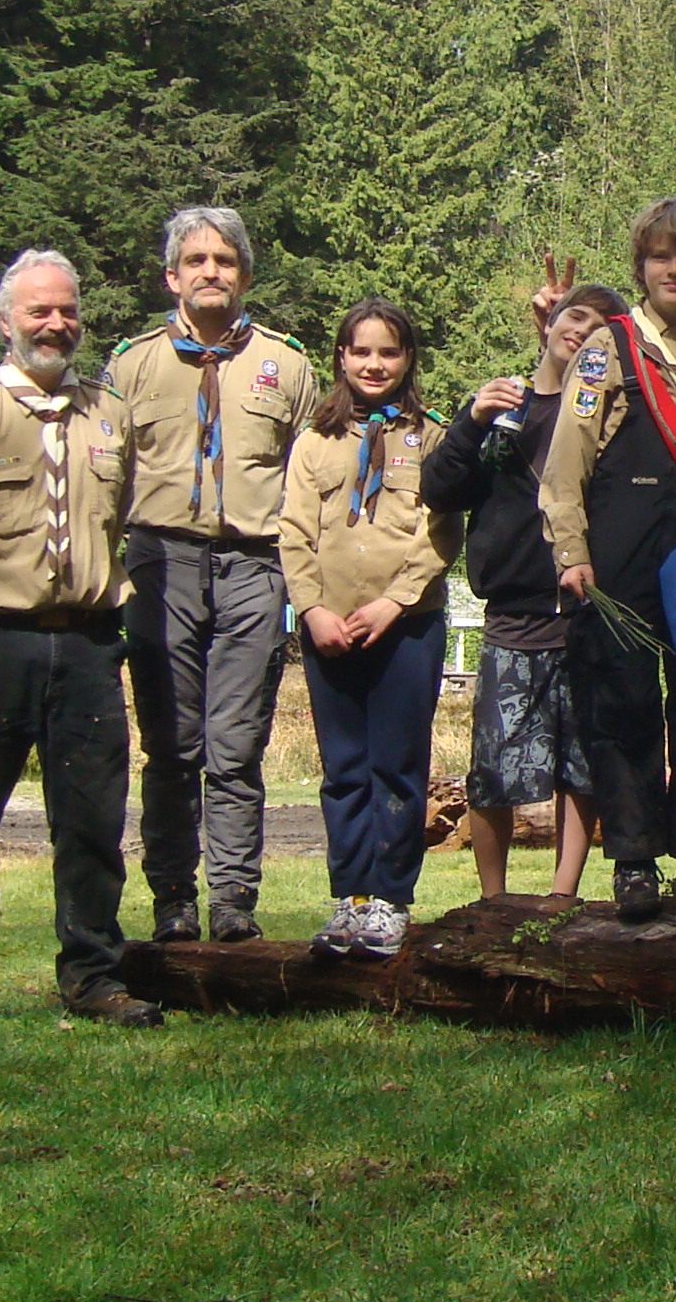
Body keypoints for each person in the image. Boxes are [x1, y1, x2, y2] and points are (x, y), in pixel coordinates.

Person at [0, 249, 155, 1032]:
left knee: (92, 825)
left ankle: (93, 976)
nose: (56, 323)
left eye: (67, 310)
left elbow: (121, 515)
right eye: (39, 310)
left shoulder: (110, 416)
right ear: (5, 319)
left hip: (86, 646)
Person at [539, 196, 676, 924]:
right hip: (617, 544)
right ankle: (633, 860)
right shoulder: (609, 348)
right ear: (640, 268)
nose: (674, 269)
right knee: (621, 704)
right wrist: (571, 552)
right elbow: (565, 464)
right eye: (660, 256)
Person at [102, 207, 317, 946]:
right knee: (170, 744)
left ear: (245, 274)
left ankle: (232, 899)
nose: (210, 272)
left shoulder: (287, 364)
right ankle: (172, 899)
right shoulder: (131, 365)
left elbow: (312, 476)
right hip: (160, 562)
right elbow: (103, 475)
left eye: (224, 261)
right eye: (195, 261)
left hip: (255, 563)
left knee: (237, 744)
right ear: (172, 276)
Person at [424, 271, 626, 901]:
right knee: (493, 770)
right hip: (511, 618)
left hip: (586, 612)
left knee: (580, 768)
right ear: (550, 323)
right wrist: (470, 420)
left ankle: (564, 895)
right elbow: (439, 489)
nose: (583, 332)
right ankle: (493, 900)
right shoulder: (502, 407)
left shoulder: (609, 415)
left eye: (601, 328)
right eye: (575, 317)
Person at [279, 299, 459, 961]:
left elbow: (441, 530)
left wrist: (395, 602)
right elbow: (294, 532)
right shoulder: (314, 441)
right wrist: (312, 610)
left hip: (406, 626)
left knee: (398, 766)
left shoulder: (432, 438)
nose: (374, 364)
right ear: (341, 358)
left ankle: (390, 900)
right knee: (344, 769)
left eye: (388, 352)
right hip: (330, 628)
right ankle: (350, 898)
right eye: (361, 351)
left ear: (407, 358)